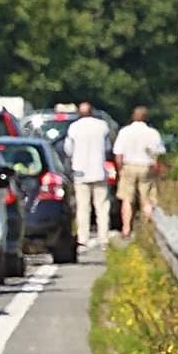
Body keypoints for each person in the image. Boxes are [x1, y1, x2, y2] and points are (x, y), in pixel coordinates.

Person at [113, 106, 166, 238]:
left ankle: (126, 228)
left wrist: (120, 169)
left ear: (133, 117)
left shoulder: (124, 131)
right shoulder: (153, 133)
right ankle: (147, 227)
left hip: (129, 165)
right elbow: (157, 155)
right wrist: (156, 170)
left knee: (127, 198)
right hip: (146, 166)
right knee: (147, 198)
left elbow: (118, 154)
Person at [63, 102, 111, 248]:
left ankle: (83, 237)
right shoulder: (102, 126)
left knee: (82, 206)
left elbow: (68, 149)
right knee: (102, 206)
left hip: (80, 172)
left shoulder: (74, 127)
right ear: (92, 112)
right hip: (99, 171)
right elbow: (108, 147)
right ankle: (103, 237)